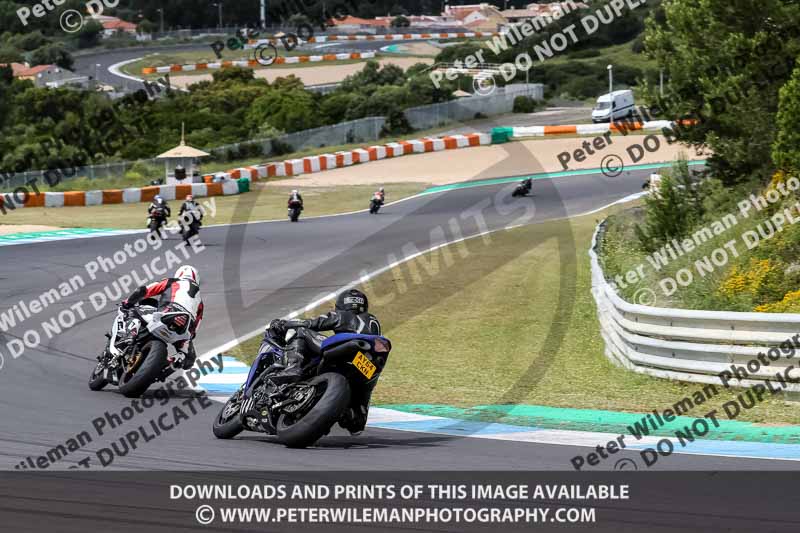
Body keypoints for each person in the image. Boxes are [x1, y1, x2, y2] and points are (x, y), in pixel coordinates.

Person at [267, 289, 381, 433]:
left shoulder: (342, 315)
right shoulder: (374, 322)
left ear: (341, 305)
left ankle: (293, 367)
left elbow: (311, 323)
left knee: (301, 331)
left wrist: (284, 324)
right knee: (358, 423)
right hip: (368, 365)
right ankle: (350, 413)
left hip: (345, 352)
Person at [120, 265, 204, 370]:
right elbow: (194, 330)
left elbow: (143, 290)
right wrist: (186, 339)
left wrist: (127, 303)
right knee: (189, 360)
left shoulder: (172, 281)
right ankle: (170, 363)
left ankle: (130, 337)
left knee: (132, 311)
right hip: (182, 329)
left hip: (166, 315)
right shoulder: (200, 302)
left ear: (179, 274)